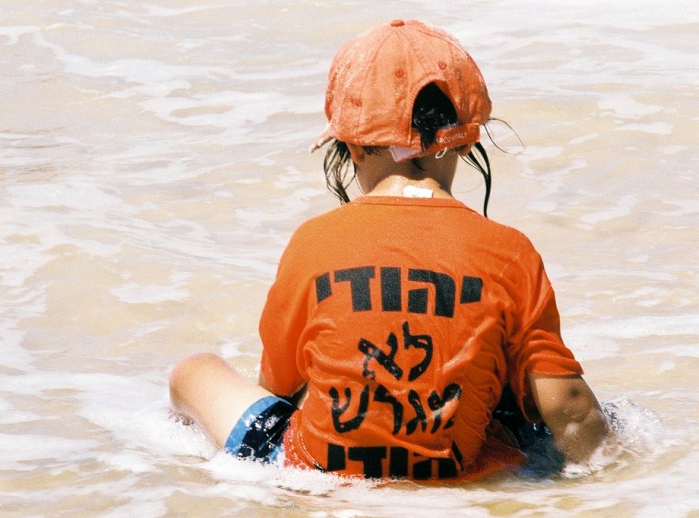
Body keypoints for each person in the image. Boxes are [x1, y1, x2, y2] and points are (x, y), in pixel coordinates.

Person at [169, 19, 609, 481]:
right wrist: (611, 485)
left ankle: (168, 478)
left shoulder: (315, 240)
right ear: (467, 140)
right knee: (512, 397)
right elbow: (571, 409)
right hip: (456, 476)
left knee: (194, 371)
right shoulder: (510, 252)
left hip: (318, 476)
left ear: (352, 146)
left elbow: (278, 385)